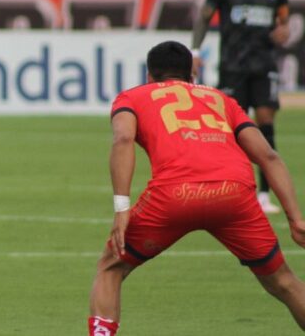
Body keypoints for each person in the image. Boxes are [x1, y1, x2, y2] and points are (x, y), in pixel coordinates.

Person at [87, 41, 305, 336]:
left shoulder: (133, 97)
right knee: (283, 281)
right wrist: (295, 219)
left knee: (111, 268)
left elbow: (123, 140)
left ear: (149, 76)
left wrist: (122, 208)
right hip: (234, 194)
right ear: (191, 76)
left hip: (175, 195)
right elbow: (268, 156)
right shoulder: (220, 99)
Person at [191, 0, 290, 214]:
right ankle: (225, 187)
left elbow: (283, 21)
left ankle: (263, 193)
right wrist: (195, 52)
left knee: (265, 122)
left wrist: (282, 31)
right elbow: (204, 17)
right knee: (228, 129)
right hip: (232, 66)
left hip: (264, 65)